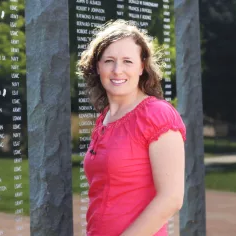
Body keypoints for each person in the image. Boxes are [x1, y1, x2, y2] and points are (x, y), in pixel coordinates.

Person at [77, 20, 186, 236]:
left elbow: (171, 198)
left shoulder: (157, 114)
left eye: (128, 61)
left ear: (142, 66)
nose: (117, 70)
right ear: (98, 66)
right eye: (109, 60)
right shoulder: (104, 119)